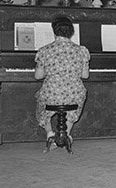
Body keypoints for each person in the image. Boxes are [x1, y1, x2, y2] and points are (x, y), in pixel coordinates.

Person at [33, 15, 90, 145]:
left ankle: (50, 134)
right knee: (76, 100)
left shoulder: (44, 51)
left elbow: (38, 76)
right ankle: (67, 133)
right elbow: (85, 75)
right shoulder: (82, 50)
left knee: (40, 100)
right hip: (74, 94)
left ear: (54, 31)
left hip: (52, 94)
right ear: (71, 32)